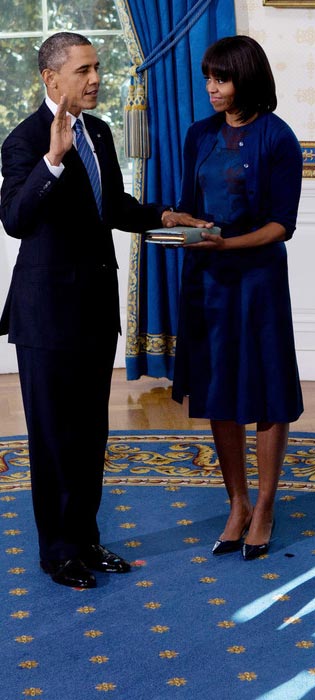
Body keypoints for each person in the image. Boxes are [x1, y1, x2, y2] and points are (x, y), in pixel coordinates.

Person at [0, 32, 206, 589]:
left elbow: (111, 206)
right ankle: (57, 552)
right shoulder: (23, 142)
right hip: (44, 314)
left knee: (91, 432)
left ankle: (86, 541)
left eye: (98, 68)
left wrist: (166, 216)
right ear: (51, 79)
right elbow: (15, 219)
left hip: (95, 308)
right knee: (52, 434)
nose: (96, 79)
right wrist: (53, 160)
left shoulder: (101, 131)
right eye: (85, 70)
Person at [171, 35, 304, 561]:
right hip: (207, 283)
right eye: (208, 78)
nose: (211, 88)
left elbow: (281, 226)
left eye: (221, 79)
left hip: (258, 283)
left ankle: (266, 507)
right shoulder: (199, 134)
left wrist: (228, 242)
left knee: (267, 391)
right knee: (218, 391)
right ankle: (237, 503)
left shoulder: (278, 137)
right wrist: (179, 221)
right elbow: (188, 205)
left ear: (245, 79)